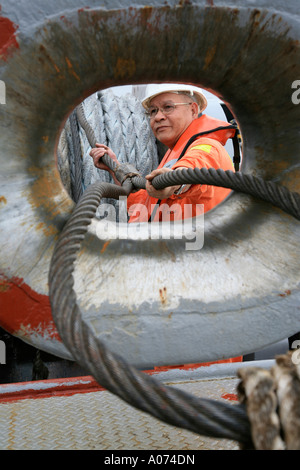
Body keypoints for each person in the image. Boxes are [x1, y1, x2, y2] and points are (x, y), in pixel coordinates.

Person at [90, 84, 236, 223]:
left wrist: (174, 183)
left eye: (168, 107)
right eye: (153, 111)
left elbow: (193, 168)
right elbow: (148, 203)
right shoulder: (176, 152)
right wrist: (115, 168)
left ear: (193, 110)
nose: (158, 117)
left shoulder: (207, 148)